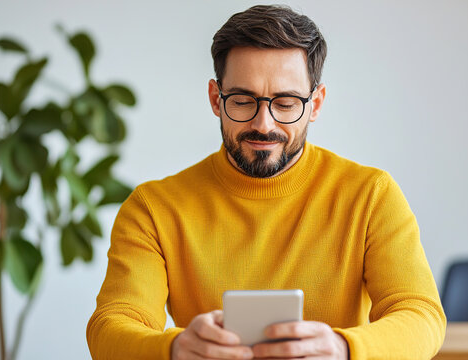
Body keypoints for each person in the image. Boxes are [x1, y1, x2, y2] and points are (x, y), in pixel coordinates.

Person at [87, 4, 446, 360]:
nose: (264, 124)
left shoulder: (371, 195)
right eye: (243, 101)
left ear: (315, 104)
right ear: (216, 98)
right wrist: (175, 349)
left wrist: (344, 349)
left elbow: (421, 314)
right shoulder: (154, 208)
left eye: (286, 103)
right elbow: (112, 326)